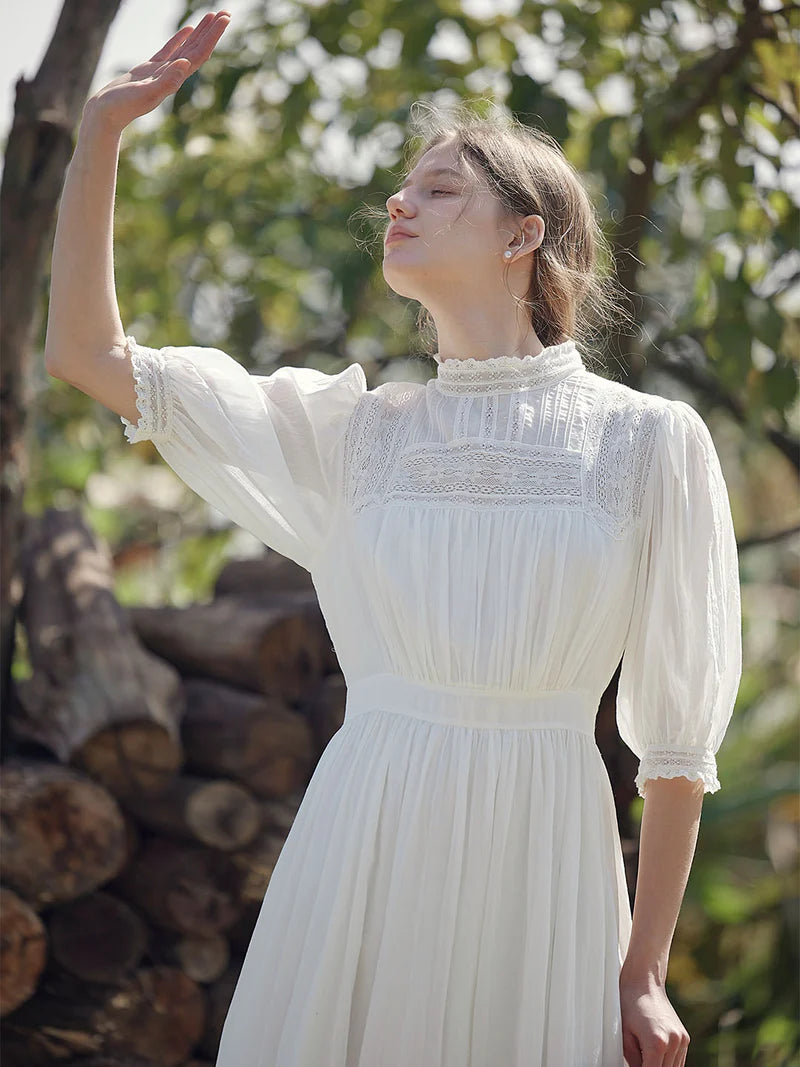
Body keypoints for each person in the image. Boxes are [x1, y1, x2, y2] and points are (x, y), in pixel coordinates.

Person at [44, 12, 742, 1067]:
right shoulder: (351, 432)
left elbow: (677, 751)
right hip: (364, 842)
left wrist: (640, 972)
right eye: (400, 190)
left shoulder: (646, 440)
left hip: (543, 860)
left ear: (524, 235)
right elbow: (88, 354)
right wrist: (99, 134)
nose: (399, 203)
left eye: (440, 189)